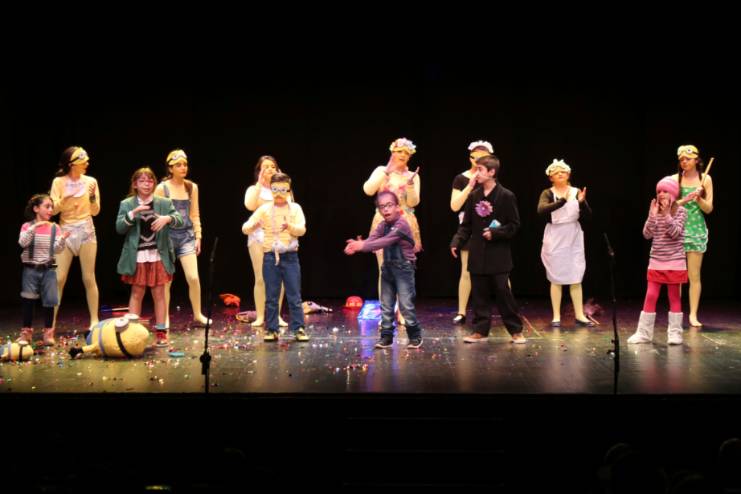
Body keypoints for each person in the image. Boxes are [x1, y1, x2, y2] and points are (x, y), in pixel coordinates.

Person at [450, 155, 526, 344]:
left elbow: (514, 225)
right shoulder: (474, 195)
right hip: (477, 252)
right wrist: (457, 241)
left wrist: (496, 233)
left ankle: (516, 330)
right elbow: (466, 225)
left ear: (491, 172)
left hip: (498, 254)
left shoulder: (506, 196)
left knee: (503, 292)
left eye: (480, 170)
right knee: (479, 293)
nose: (476, 173)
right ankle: (480, 330)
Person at [344, 191, 423, 349]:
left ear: (397, 207)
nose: (386, 209)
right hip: (387, 268)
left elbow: (384, 241)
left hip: (403, 269)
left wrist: (362, 246)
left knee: (405, 305)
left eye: (389, 205)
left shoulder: (401, 225)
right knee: (386, 305)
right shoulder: (382, 225)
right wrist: (358, 244)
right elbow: (373, 239)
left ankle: (415, 336)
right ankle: (386, 337)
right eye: (382, 207)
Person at [116, 167, 183, 347]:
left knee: (159, 293)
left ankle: (161, 332)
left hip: (157, 254)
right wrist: (133, 213)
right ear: (135, 184)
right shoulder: (127, 204)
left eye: (150, 180)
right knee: (137, 292)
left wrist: (167, 219)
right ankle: (132, 332)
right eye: (142, 181)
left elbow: (179, 220)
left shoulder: (163, 202)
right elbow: (119, 228)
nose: (147, 184)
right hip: (137, 255)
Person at [628, 177, 696, 345]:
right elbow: (647, 234)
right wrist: (652, 216)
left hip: (675, 261)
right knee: (651, 295)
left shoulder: (681, 211)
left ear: (673, 194)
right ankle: (644, 333)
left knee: (674, 296)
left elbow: (675, 233)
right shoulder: (655, 211)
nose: (661, 194)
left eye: (665, 191)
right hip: (656, 260)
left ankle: (675, 333)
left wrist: (666, 215)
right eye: (659, 191)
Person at [242, 172, 309, 342]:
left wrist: (290, 227)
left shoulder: (295, 208)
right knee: (271, 296)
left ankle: (299, 328)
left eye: (283, 189)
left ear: (288, 190)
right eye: (275, 189)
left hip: (290, 257)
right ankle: (272, 329)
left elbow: (302, 229)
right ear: (271, 190)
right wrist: (254, 225)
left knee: (294, 295)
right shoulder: (264, 209)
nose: (279, 194)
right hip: (271, 257)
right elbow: (245, 228)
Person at [154, 149, 210, 327]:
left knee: (193, 277)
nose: (183, 167)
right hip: (167, 238)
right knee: (166, 281)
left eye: (185, 164)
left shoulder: (191, 187)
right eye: (178, 165)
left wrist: (198, 236)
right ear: (170, 168)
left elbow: (195, 214)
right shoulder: (162, 188)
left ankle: (198, 314)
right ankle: (164, 317)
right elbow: (155, 215)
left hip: (186, 236)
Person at [363, 138, 421, 303]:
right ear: (392, 152)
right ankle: (386, 311)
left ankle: (402, 310)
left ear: (410, 156)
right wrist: (386, 172)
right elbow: (368, 190)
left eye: (406, 153)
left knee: (404, 269)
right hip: (384, 223)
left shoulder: (413, 175)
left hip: (404, 223)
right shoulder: (382, 170)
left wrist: (410, 185)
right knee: (385, 270)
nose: (402, 155)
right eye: (399, 151)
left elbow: (413, 202)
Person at [537, 159, 593, 327]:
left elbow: (589, 216)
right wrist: (562, 201)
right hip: (555, 236)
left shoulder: (576, 191)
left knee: (576, 275)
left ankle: (579, 314)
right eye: (556, 172)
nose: (560, 174)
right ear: (551, 177)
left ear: (568, 175)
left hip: (573, 235)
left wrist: (582, 203)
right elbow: (541, 210)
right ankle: (556, 315)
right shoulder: (548, 193)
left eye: (563, 172)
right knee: (556, 276)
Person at [49, 146, 101, 329]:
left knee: (89, 277)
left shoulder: (91, 181)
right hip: (66, 231)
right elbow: (52, 210)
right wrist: (64, 200)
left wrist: (92, 197)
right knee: (59, 278)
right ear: (72, 164)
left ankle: (94, 320)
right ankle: (50, 324)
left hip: (86, 230)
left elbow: (95, 211)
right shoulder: (59, 182)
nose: (87, 164)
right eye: (83, 161)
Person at [17, 194, 70, 345]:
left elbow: (57, 250)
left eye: (51, 207)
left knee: (50, 301)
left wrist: (62, 239)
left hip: (49, 268)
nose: (51, 209)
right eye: (47, 206)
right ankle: (26, 333)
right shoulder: (27, 226)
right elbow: (22, 243)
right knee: (28, 300)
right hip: (31, 268)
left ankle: (48, 333)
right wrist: (34, 228)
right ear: (36, 208)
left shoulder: (54, 227)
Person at [450, 140, 493, 324]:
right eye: (476, 156)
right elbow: (454, 206)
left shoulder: (491, 178)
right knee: (466, 271)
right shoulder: (461, 178)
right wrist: (470, 184)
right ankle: (462, 312)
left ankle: (508, 308)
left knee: (499, 271)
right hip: (469, 228)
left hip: (490, 228)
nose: (478, 160)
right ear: (470, 158)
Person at [243, 155, 288, 328]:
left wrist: (282, 183)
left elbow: (290, 207)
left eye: (273, 166)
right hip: (258, 236)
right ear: (259, 171)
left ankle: (277, 316)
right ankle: (260, 316)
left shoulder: (283, 190)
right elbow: (249, 205)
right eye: (266, 167)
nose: (270, 169)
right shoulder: (253, 189)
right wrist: (259, 184)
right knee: (261, 277)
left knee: (280, 278)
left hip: (278, 236)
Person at [671, 144, 714, 327]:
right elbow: (670, 208)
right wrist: (686, 199)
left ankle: (693, 315)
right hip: (678, 229)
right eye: (681, 159)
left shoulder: (706, 179)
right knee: (678, 276)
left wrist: (699, 199)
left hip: (696, 230)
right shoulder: (675, 179)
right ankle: (677, 314)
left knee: (694, 275)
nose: (684, 162)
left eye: (687, 159)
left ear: (696, 160)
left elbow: (709, 208)